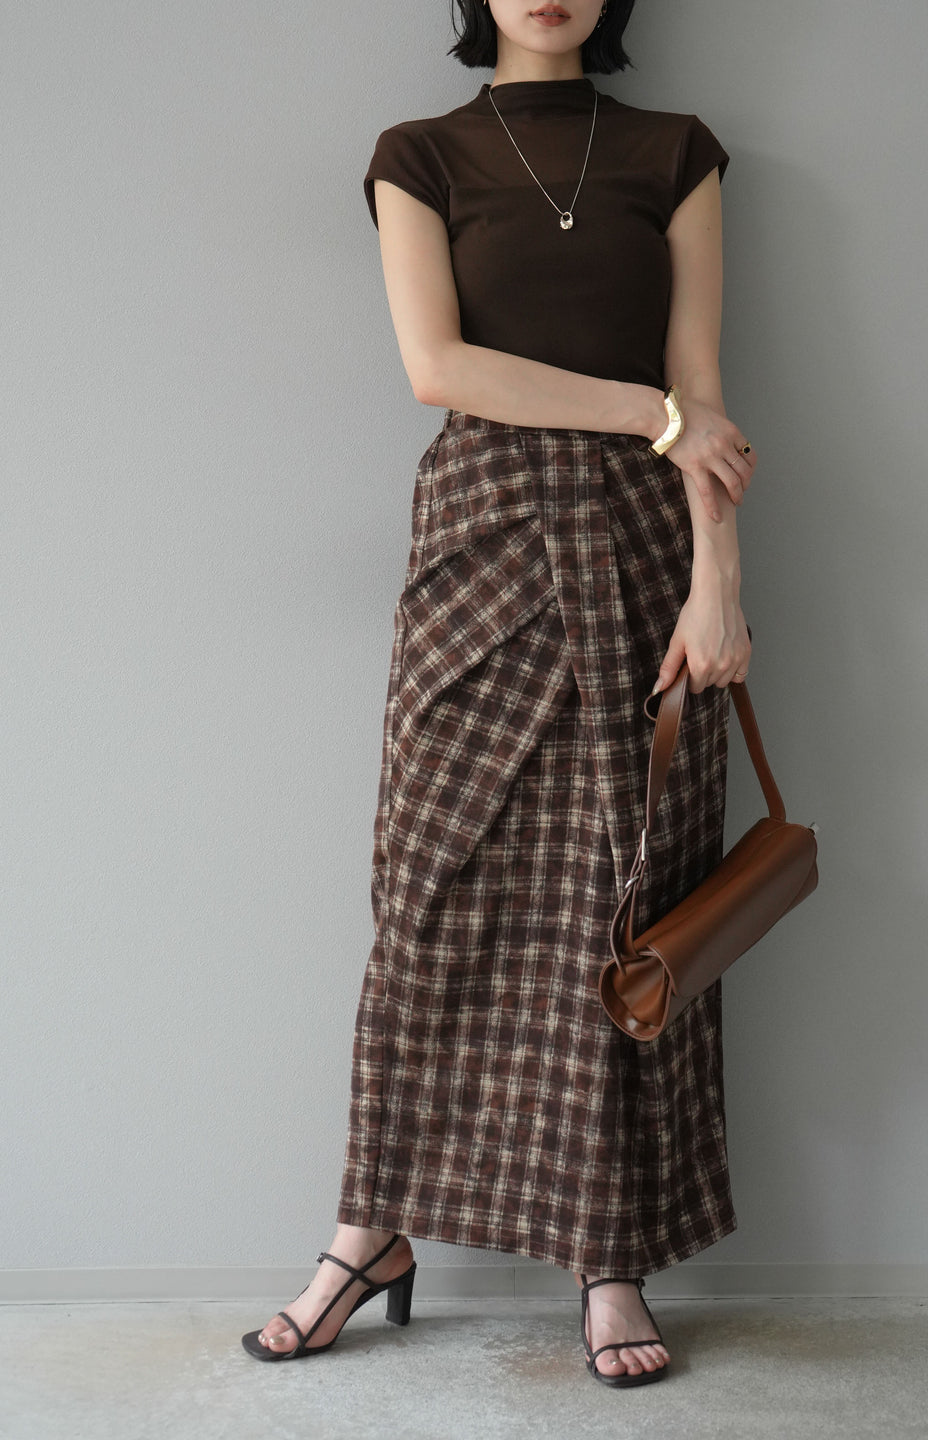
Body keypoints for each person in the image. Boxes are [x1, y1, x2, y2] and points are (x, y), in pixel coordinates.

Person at [242, 0, 755, 1387]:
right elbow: (440, 369)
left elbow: (706, 388)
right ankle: (370, 1231)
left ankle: (609, 1259)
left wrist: (718, 581)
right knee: (427, 893)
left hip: (645, 551)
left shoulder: (675, 151)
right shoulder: (420, 154)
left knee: (618, 905)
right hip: (482, 542)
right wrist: (649, 416)